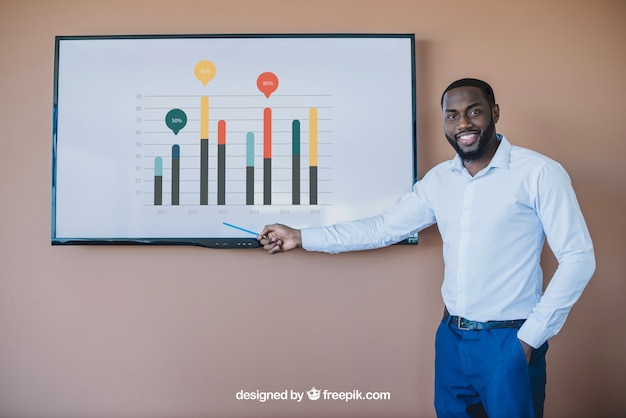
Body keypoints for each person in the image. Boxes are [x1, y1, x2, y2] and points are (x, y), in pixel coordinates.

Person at [257, 78, 595, 417]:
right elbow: (383, 228)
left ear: (494, 113)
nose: (462, 123)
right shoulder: (439, 181)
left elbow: (578, 258)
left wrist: (530, 338)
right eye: (452, 115)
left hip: (508, 340)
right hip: (451, 339)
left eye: (473, 112)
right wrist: (302, 236)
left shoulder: (539, 173)